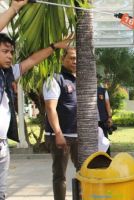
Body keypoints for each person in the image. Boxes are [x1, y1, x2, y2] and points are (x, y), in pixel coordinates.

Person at [0, 2, 73, 199]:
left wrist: (54, 46)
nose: (10, 56)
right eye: (5, 52)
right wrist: (14, 8)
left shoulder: (8, 73)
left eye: (11, 52)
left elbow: (31, 61)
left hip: (2, 146)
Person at [43, 47, 77, 200]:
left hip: (78, 135)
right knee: (59, 175)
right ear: (62, 59)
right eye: (71, 58)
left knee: (84, 171)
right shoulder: (54, 79)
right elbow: (50, 108)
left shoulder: (79, 79)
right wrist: (58, 134)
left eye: (76, 58)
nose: (75, 61)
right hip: (60, 136)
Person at [97, 84, 112, 154]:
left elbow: (107, 104)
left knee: (105, 141)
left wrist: (109, 118)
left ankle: (107, 159)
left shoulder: (103, 91)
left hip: (103, 121)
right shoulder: (85, 90)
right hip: (90, 121)